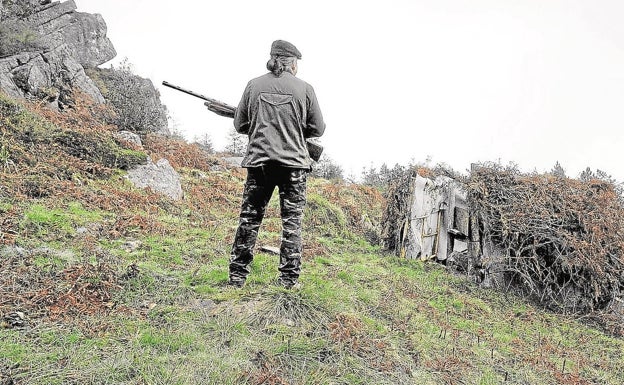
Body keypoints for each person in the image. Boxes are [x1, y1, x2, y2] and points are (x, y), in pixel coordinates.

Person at [228, 40, 326, 289]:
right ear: (292, 63)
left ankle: (237, 277)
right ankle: (289, 281)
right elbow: (318, 129)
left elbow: (240, 125)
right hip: (293, 166)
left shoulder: (254, 85)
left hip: (259, 164)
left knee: (249, 219)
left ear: (273, 59)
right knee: (291, 224)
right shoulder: (305, 89)